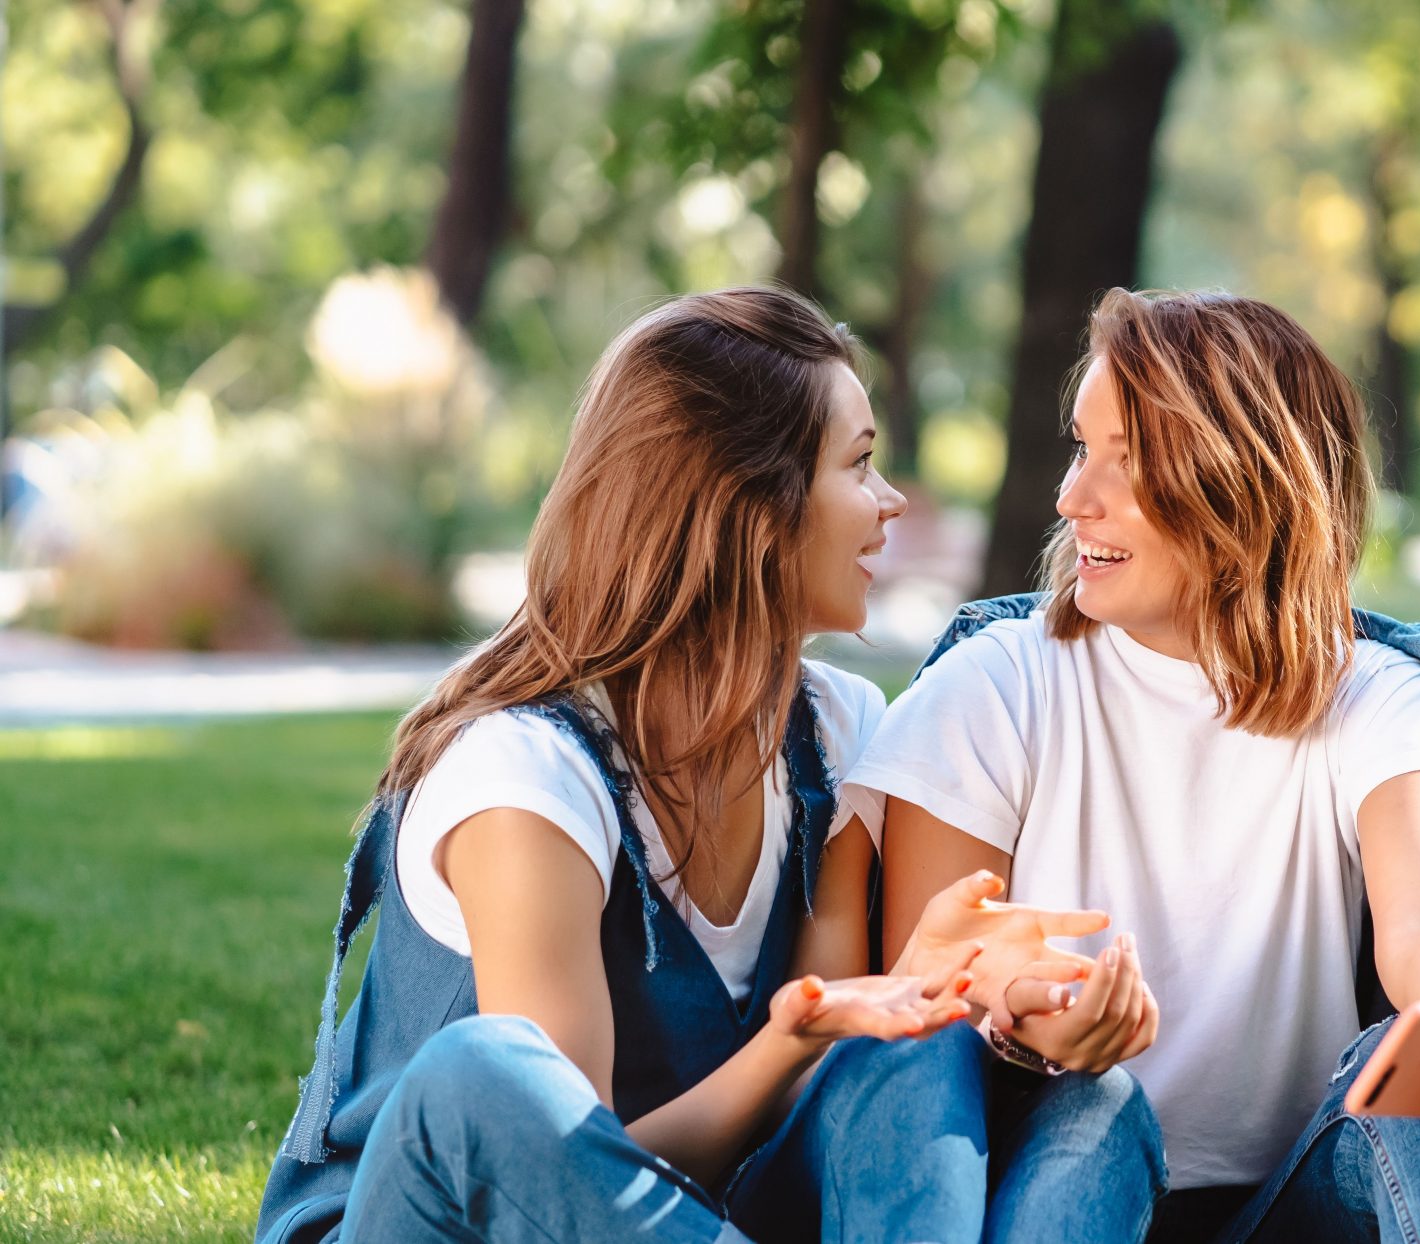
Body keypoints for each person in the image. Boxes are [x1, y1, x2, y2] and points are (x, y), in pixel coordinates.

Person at [255, 287, 1160, 1244]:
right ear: (746, 507)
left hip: (701, 1218)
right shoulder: (524, 777)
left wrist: (924, 994)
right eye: (859, 464)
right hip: (453, 1218)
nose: (890, 501)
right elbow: (568, 1179)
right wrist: (785, 1043)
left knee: (1050, 1096)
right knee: (483, 1077)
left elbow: (845, 1095)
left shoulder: (838, 728)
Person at [848, 288, 1420, 1242]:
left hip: (1292, 1205)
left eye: (1126, 461)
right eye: (1083, 449)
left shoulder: (1378, 698)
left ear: (1242, 482)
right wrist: (1029, 1016)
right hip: (1065, 1184)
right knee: (1095, 1114)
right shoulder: (993, 687)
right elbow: (927, 1002)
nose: (1072, 496)